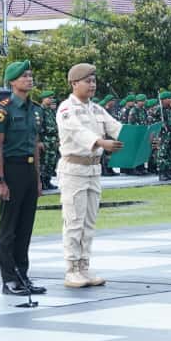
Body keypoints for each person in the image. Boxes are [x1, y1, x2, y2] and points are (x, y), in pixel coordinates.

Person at [56, 63, 123, 288]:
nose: (92, 85)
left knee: (89, 221)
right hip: (74, 169)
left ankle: (84, 267)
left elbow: (116, 127)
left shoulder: (96, 109)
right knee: (74, 220)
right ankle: (71, 268)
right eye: (87, 81)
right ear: (74, 84)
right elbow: (77, 131)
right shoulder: (67, 109)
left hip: (94, 169)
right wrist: (101, 142)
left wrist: (138, 137)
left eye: (94, 81)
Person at [0, 60, 47, 296]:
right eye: (24, 76)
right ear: (12, 81)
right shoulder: (3, 109)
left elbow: (35, 145)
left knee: (25, 227)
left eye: (30, 75)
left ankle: (22, 274)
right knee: (9, 228)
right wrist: (0, 179)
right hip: (10, 169)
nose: (29, 79)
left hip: (28, 169)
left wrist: (37, 178)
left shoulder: (35, 109)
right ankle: (9, 279)